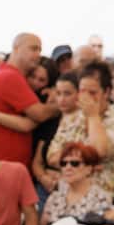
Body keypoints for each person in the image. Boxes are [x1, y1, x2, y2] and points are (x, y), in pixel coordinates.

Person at [44, 61, 114, 196]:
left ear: (106, 92)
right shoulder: (71, 119)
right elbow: (51, 157)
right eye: (82, 91)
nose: (85, 97)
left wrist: (93, 116)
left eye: (92, 92)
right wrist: (88, 163)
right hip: (70, 196)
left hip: (106, 198)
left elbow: (99, 151)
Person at [0, 34, 59, 164]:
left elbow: (27, 124)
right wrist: (62, 106)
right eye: (33, 48)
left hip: (8, 164)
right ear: (16, 48)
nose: (38, 54)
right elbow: (40, 114)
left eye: (39, 50)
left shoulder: (8, 74)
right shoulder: (9, 76)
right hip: (4, 163)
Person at [29, 73, 80, 207]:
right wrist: (43, 178)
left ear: (79, 94)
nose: (62, 99)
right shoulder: (50, 122)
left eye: (67, 94)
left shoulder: (84, 123)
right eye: (58, 93)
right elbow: (37, 161)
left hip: (72, 188)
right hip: (44, 188)